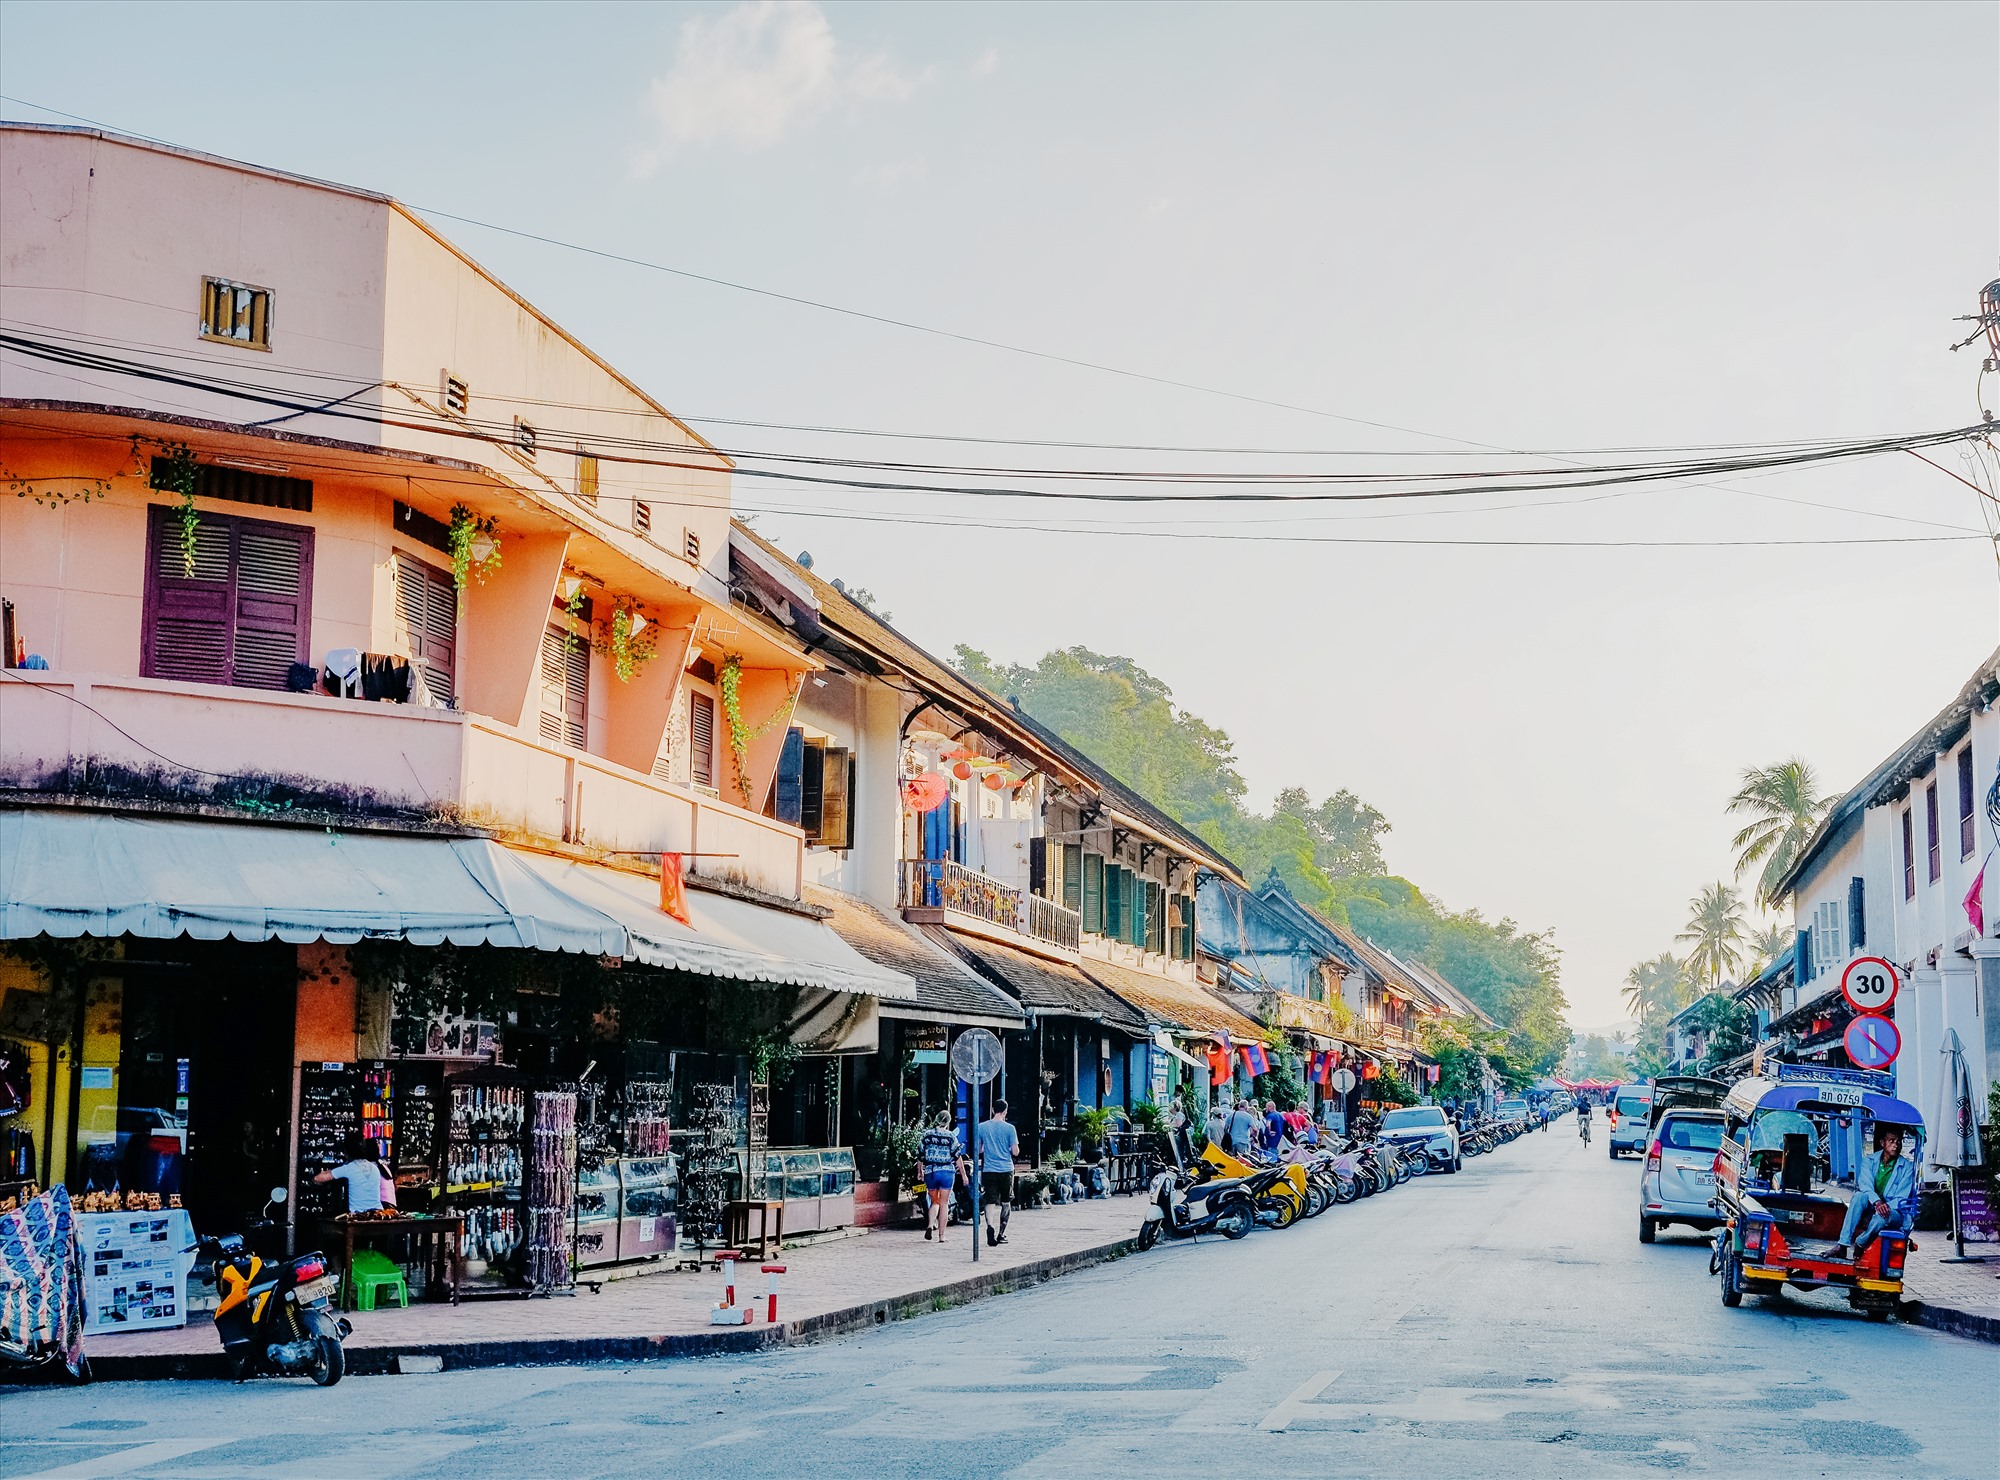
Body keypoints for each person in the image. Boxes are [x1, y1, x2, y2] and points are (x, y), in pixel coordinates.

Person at [1828, 1125, 1916, 1261]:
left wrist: (1884, 1207)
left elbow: (1901, 1197)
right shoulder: (1869, 1161)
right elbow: (1865, 1186)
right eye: (1891, 1141)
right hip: (1873, 1204)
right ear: (1882, 1143)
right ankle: (1842, 1245)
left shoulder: (1907, 1167)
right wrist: (1877, 1203)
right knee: (1858, 1197)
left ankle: (1860, 1242)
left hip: (1894, 1211)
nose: (1896, 1145)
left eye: (1898, 1142)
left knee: (1883, 1216)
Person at [969, 1099, 1020, 1247]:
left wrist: (989, 1147)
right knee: (1006, 1201)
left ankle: (990, 1226)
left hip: (989, 1169)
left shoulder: (981, 1127)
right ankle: (1001, 1233)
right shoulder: (1010, 1128)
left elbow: (978, 1150)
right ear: (1005, 1111)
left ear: (992, 1110)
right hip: (1006, 1169)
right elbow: (1015, 1152)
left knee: (990, 1200)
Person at [315, 1138, 391, 1214]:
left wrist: (330, 1171)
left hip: (358, 1215)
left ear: (347, 1153)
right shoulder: (375, 1168)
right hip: (377, 1213)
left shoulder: (348, 1168)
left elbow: (318, 1179)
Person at [917, 1111, 959, 1242]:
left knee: (934, 1202)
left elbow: (920, 1155)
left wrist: (920, 1171)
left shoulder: (927, 1135)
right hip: (946, 1172)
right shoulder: (951, 1136)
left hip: (931, 1171)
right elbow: (957, 1156)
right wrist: (963, 1175)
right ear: (948, 1122)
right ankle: (941, 1236)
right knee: (944, 1203)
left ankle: (930, 1225)